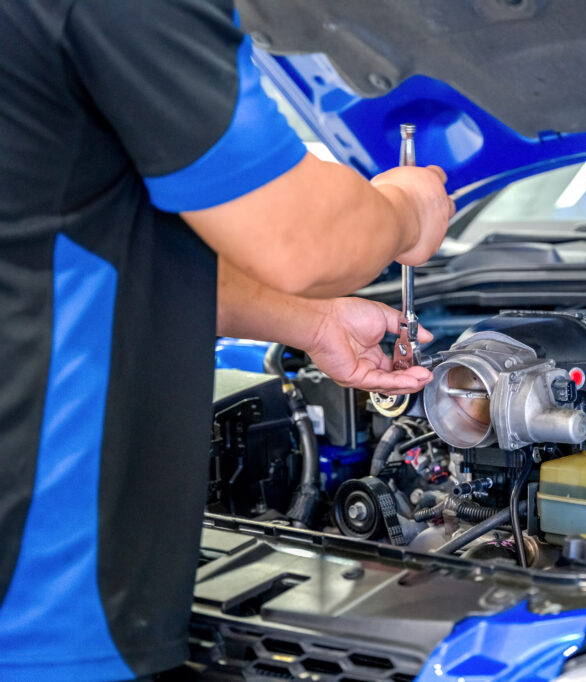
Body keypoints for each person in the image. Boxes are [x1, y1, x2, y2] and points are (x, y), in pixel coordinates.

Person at [0, 1, 453, 679]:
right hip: (42, 601)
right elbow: (298, 235)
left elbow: (93, 241)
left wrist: (316, 323)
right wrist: (406, 210)